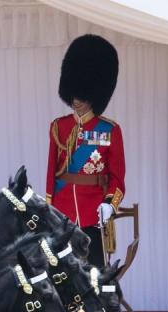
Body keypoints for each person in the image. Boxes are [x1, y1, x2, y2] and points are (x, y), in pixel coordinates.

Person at [46, 34, 125, 268]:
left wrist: (110, 203)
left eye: (82, 95)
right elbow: (52, 174)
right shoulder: (58, 127)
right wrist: (51, 211)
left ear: (94, 95)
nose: (76, 100)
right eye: (74, 94)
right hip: (63, 212)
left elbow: (117, 178)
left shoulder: (110, 130)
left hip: (94, 212)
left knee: (96, 275)